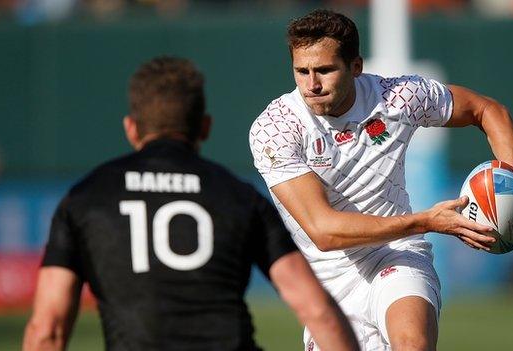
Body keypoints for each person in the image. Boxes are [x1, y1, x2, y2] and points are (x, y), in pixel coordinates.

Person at [249, 9, 513, 351]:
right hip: (327, 280)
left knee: (411, 344)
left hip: (396, 254)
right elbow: (324, 232)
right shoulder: (276, 128)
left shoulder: (397, 97)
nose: (312, 85)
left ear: (355, 67)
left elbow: (486, 110)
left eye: (325, 70)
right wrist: (427, 221)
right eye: (302, 71)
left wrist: (511, 174)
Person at [23, 56, 359, 351]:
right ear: (205, 127)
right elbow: (317, 312)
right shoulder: (239, 197)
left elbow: (46, 330)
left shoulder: (85, 199)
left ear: (130, 128)